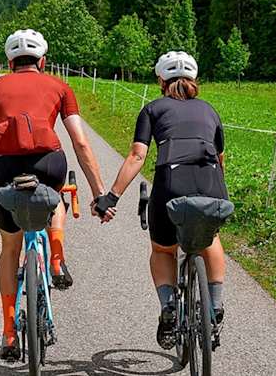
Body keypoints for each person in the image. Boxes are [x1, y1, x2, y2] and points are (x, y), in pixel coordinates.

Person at [0, 29, 110, 360]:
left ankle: (9, 332)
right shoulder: (59, 86)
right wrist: (98, 193)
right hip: (49, 162)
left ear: (10, 62)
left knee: (9, 247)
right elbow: (80, 142)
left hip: (6, 168)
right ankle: (56, 258)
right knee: (55, 196)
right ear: (43, 60)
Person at [94, 51, 229, 349]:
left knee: (162, 249)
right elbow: (220, 159)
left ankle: (169, 306)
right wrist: (221, 195)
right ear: (195, 80)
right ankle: (215, 307)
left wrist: (111, 196)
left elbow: (137, 156)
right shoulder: (210, 111)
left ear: (160, 80)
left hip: (170, 185)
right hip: (211, 185)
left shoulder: (152, 109)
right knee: (211, 240)